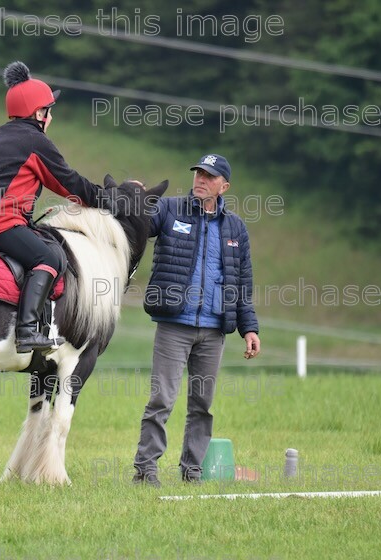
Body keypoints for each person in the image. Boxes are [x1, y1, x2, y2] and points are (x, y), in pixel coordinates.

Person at [0, 61, 104, 353]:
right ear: (39, 113)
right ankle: (27, 331)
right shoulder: (35, 141)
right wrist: (105, 197)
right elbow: (69, 183)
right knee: (48, 258)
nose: (51, 116)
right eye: (49, 110)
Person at [132, 154, 260, 487]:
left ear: (224, 186)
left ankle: (192, 471)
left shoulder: (235, 228)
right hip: (175, 324)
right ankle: (145, 471)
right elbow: (141, 221)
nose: (201, 179)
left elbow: (242, 282)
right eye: (198, 173)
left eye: (209, 176)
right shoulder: (171, 209)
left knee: (202, 403)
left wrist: (249, 328)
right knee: (162, 399)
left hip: (214, 330)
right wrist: (136, 199)